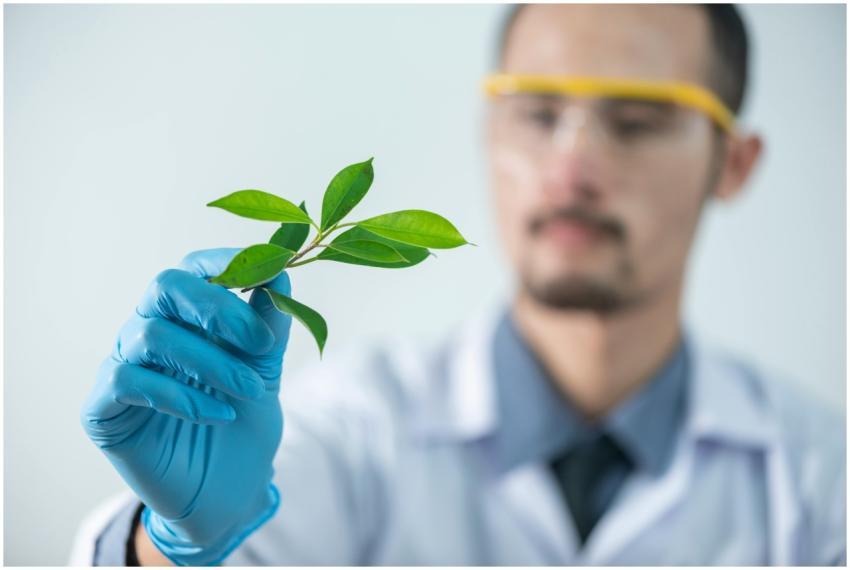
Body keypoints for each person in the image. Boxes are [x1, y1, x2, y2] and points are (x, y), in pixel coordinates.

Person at [73, 3, 845, 565]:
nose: (571, 169)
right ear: (490, 132)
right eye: (538, 115)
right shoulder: (353, 429)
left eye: (637, 120)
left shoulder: (819, 480)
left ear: (733, 164)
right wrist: (165, 544)